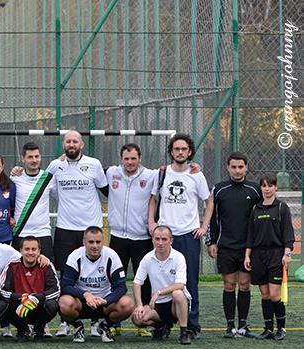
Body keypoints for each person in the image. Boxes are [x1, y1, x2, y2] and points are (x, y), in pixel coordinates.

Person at [148, 133, 213, 337]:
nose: (180, 152)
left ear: (190, 152)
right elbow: (153, 199)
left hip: (188, 235)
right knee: (159, 281)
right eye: (176, 149)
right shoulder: (162, 173)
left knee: (189, 281)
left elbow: (209, 201)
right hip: (165, 235)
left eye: (184, 149)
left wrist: (204, 226)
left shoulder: (196, 175)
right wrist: (151, 221)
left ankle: (192, 326)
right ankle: (163, 323)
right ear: (171, 152)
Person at [46, 130, 108, 337]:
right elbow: (43, 187)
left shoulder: (94, 164)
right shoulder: (55, 166)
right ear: (63, 144)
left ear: (82, 144)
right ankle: (66, 321)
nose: (71, 144)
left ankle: (96, 320)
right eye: (68, 141)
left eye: (75, 141)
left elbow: (108, 190)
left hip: (90, 228)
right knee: (66, 274)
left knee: (96, 274)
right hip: (65, 228)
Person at [207, 152, 261, 338]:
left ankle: (243, 326)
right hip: (226, 246)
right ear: (228, 168)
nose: (237, 170)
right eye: (234, 167)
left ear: (246, 167)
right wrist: (211, 241)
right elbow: (212, 218)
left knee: (245, 285)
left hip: (247, 247)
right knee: (229, 285)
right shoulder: (219, 189)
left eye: (241, 167)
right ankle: (230, 326)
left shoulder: (255, 190)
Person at [104, 143, 156, 337]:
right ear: (121, 159)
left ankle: (143, 322)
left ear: (140, 158)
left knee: (143, 281)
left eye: (133, 158)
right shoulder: (111, 173)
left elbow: (175, 173)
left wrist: (195, 168)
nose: (130, 162)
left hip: (141, 238)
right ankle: (114, 322)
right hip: (117, 236)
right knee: (115, 282)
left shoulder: (151, 176)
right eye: (126, 158)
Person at [9, 142, 55, 337]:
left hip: (43, 234)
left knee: (44, 280)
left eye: (37, 156)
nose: (34, 160)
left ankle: (41, 324)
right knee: (20, 282)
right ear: (23, 158)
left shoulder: (49, 178)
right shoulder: (15, 178)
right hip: (20, 234)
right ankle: (21, 324)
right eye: (30, 157)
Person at [58, 226, 135, 343]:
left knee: (128, 304)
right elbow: (65, 285)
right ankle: (78, 327)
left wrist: (106, 301)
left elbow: (121, 287)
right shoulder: (75, 256)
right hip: (82, 302)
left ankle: (105, 326)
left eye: (98, 242)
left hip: (104, 302)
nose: (95, 246)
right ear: (84, 242)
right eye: (91, 242)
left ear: (103, 242)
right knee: (64, 303)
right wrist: (85, 294)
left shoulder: (111, 255)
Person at [245, 174, 295, 341]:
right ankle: (268, 329)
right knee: (265, 294)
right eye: (264, 186)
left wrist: (287, 253)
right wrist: (247, 256)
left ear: (276, 188)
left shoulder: (281, 208)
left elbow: (288, 233)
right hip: (258, 256)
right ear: (261, 188)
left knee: (275, 295)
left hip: (276, 254)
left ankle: (281, 328)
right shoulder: (255, 209)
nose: (267, 188)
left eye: (270, 185)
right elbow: (250, 236)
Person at [131, 226, 194, 345]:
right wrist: (139, 305)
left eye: (164, 239)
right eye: (157, 239)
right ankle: (161, 326)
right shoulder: (147, 258)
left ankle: (184, 332)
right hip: (158, 304)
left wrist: (159, 292)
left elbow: (180, 284)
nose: (160, 243)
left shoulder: (178, 257)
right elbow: (137, 282)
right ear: (152, 240)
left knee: (178, 294)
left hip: (176, 304)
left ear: (171, 240)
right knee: (137, 319)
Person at [0, 236, 60, 342]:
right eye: (27, 249)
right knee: (0, 306)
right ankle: (22, 329)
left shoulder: (46, 265)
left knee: (52, 305)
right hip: (19, 304)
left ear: (39, 251)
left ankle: (39, 329)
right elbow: (2, 289)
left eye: (34, 249)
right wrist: (22, 297)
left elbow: (56, 290)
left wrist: (37, 298)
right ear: (20, 250)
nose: (30, 252)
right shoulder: (12, 265)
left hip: (39, 304)